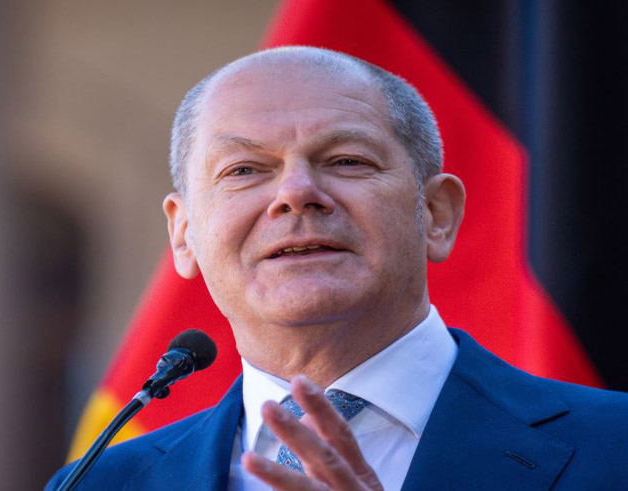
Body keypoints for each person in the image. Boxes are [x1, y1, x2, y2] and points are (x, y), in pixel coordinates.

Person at [47, 46, 628, 490]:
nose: (296, 193)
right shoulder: (100, 482)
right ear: (184, 235)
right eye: (244, 170)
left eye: (347, 160)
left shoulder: (614, 447)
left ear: (435, 214)